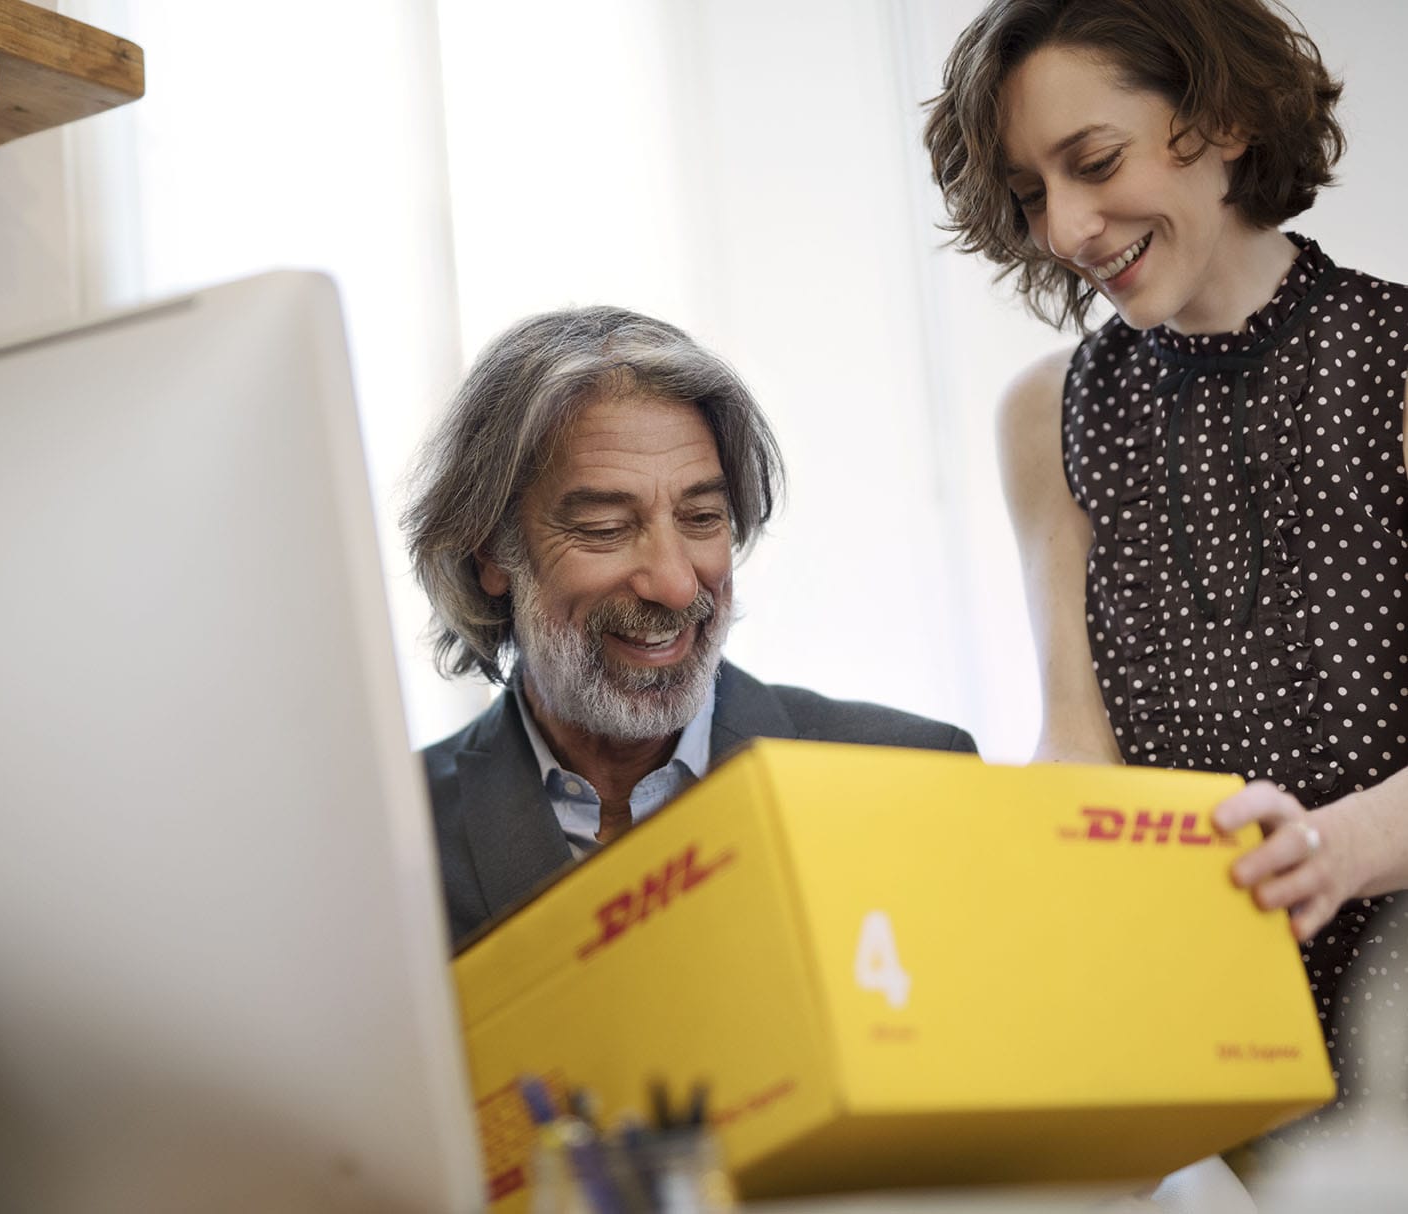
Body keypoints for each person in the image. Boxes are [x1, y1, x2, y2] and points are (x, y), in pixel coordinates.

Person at [923, 0, 1408, 1135]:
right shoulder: (1049, 415)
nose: (1068, 227)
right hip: (1205, 1025)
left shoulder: (1395, 367)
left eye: (1094, 162)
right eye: (1034, 192)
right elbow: (1078, 740)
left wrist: (1334, 849)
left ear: (1225, 119)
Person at [402, 306, 977, 949]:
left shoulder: (915, 778)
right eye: (605, 530)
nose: (676, 584)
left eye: (703, 518)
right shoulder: (387, 845)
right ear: (491, 556)